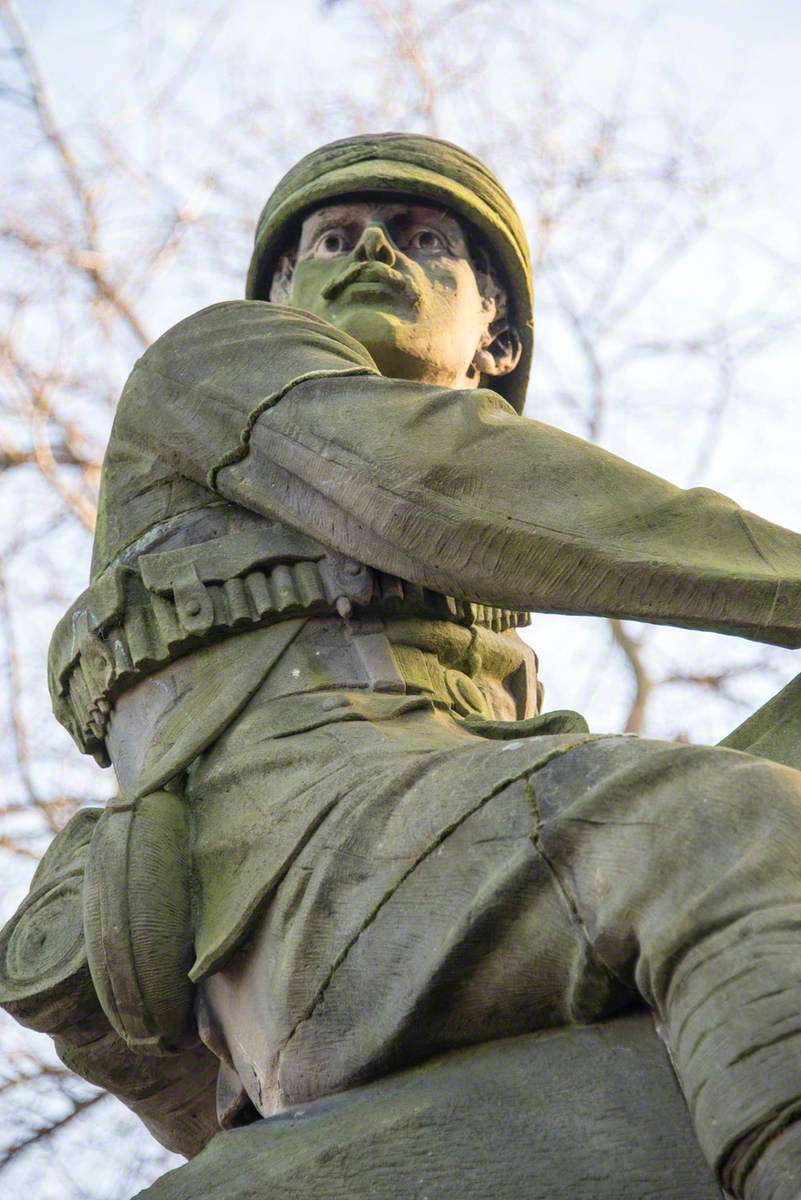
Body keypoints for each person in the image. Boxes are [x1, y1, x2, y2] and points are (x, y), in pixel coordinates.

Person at [4, 132, 801, 1198]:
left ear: (498, 337)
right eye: (334, 238)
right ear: (284, 289)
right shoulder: (218, 365)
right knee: (726, 826)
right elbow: (435, 486)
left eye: (426, 241)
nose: (374, 250)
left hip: (407, 864)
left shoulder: (483, 653)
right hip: (310, 878)